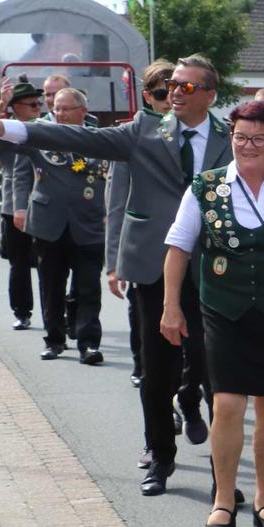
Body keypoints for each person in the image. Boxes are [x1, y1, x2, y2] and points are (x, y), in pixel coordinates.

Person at [0, 56, 235, 497]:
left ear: (210, 95)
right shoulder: (146, 131)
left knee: (218, 376)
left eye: (187, 88)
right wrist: (5, 129)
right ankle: (160, 457)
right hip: (155, 268)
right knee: (157, 370)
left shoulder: (234, 139)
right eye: (172, 85)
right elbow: (77, 137)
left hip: (216, 271)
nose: (175, 92)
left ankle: (224, 477)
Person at [159, 101, 264, 527]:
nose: (248, 146)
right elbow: (178, 246)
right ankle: (223, 499)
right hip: (223, 310)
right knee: (227, 404)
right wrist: (171, 306)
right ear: (231, 138)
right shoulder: (205, 187)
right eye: (240, 137)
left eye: (258, 139)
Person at [18, 87, 107, 363]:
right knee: (51, 286)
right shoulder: (41, 136)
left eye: (66, 108)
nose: (59, 113)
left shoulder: (99, 139)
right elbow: (9, 149)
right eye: (56, 108)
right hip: (49, 224)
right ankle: (54, 341)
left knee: (88, 287)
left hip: (89, 224)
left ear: (83, 111)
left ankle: (88, 343)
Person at [110, 61, 176, 396]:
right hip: (146, 255)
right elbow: (117, 203)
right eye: (161, 93)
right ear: (148, 97)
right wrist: (113, 263)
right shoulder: (133, 135)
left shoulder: (202, 133)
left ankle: (185, 391)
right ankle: (149, 375)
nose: (169, 99)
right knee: (147, 330)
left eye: (176, 91)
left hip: (190, 256)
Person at [0, 78, 39, 330]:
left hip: (47, 204)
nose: (37, 108)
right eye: (31, 104)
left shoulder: (45, 126)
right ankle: (22, 311)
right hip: (15, 207)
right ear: (15, 108)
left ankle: (58, 314)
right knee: (20, 263)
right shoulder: (4, 130)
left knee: (52, 266)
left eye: (38, 103)